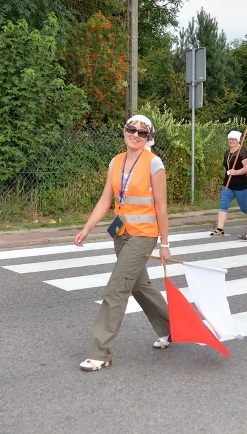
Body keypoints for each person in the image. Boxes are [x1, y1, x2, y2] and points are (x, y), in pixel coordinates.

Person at [74, 115, 171, 372]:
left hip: (145, 235)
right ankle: (172, 328)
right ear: (125, 131)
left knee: (116, 288)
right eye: (132, 129)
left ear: (149, 138)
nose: (136, 135)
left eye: (142, 132)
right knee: (140, 286)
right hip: (122, 234)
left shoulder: (154, 164)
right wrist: (86, 228)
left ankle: (100, 352)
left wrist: (164, 243)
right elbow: (106, 199)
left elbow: (161, 206)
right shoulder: (115, 161)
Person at [211, 130, 247, 236]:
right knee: (223, 205)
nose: (231, 141)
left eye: (233, 139)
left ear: (238, 140)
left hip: (241, 185)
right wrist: (227, 175)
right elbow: (226, 167)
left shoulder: (243, 152)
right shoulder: (227, 153)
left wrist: (236, 172)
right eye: (229, 139)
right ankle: (220, 229)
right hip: (228, 185)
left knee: (244, 207)